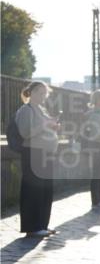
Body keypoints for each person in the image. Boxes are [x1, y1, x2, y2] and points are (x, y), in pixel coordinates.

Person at [14, 81, 58, 236]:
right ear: (31, 92)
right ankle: (32, 227)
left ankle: (42, 225)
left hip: (45, 154)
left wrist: (52, 126)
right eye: (40, 92)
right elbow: (25, 132)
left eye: (45, 93)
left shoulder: (42, 110)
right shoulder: (26, 110)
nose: (43, 96)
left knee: (46, 190)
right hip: (33, 153)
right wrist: (46, 125)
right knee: (34, 191)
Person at [81, 90, 100, 209]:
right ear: (99, 100)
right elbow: (95, 133)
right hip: (98, 146)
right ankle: (96, 201)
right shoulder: (95, 115)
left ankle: (98, 199)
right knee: (98, 174)